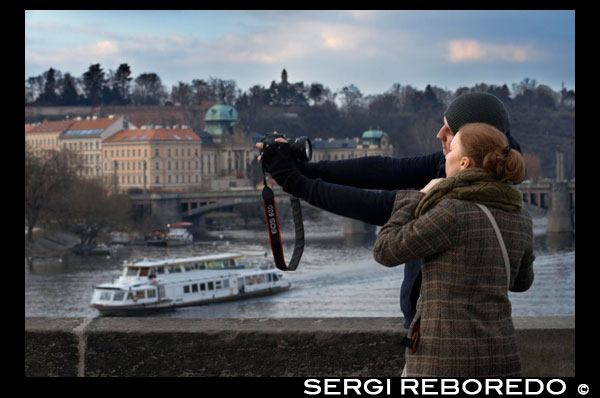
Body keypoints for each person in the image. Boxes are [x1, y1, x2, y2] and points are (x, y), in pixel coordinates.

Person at [257, 92, 523, 329]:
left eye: (449, 131)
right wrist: (304, 170)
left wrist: (296, 182)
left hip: (442, 341)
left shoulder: (456, 199)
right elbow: (384, 170)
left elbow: (381, 214)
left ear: (470, 147)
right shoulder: (490, 181)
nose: (439, 136)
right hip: (486, 336)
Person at [373, 122, 534, 377]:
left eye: (452, 150)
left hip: (444, 360)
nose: (445, 155)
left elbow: (385, 249)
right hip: (501, 356)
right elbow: (522, 282)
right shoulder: (520, 216)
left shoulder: (452, 212)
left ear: (464, 163)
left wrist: (417, 197)